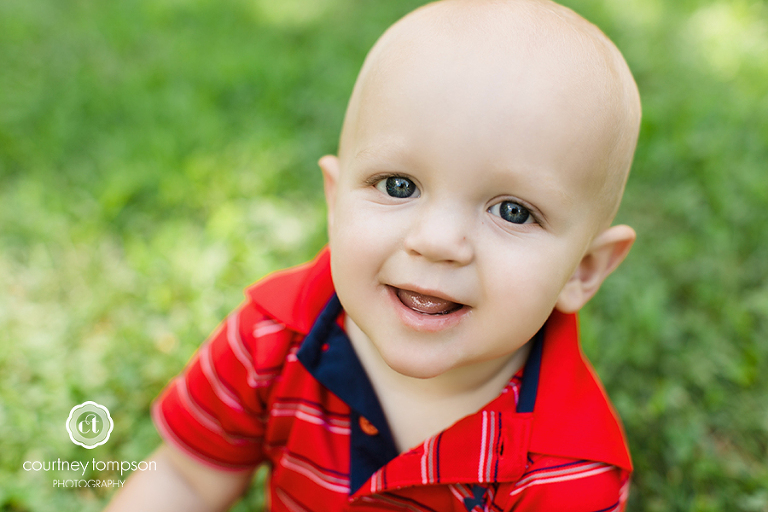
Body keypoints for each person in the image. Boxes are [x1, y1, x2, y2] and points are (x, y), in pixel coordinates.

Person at [105, 0, 641, 510]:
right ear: (334, 203)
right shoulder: (268, 340)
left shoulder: (566, 472)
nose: (436, 241)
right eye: (399, 185)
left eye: (513, 212)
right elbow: (185, 482)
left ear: (583, 269)